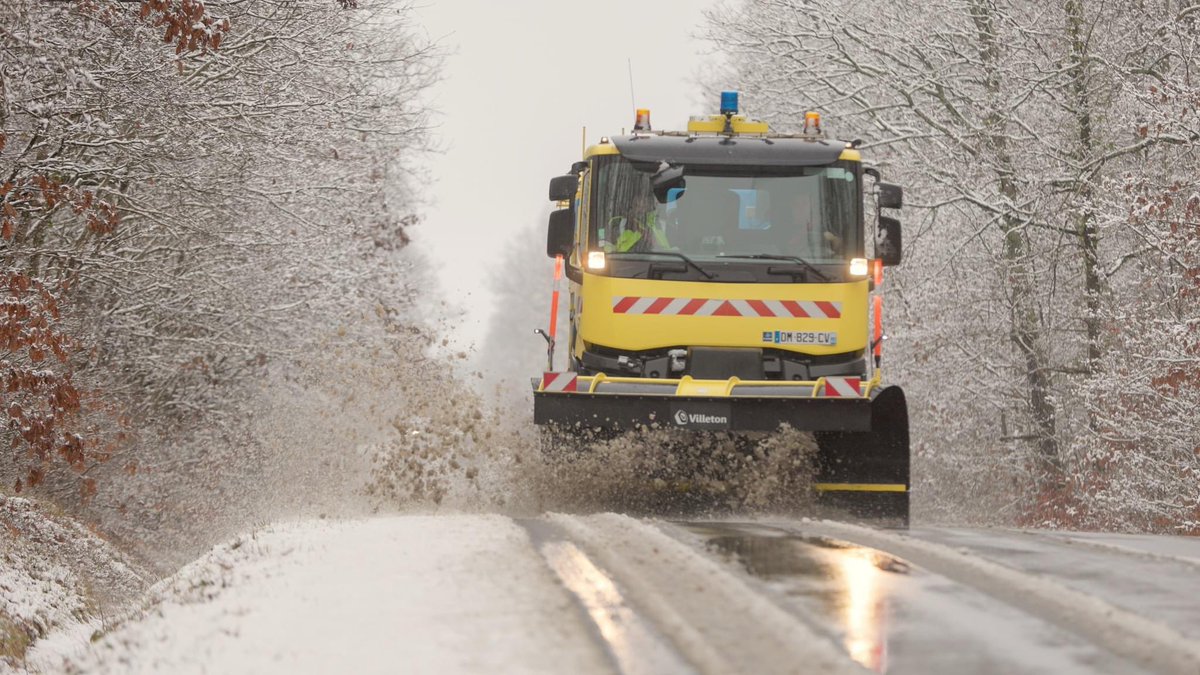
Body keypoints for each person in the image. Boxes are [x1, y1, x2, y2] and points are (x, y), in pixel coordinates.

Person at [783, 192, 842, 257]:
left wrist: (832, 239)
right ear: (791, 208)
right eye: (796, 205)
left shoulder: (823, 229)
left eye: (804, 204)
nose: (800, 208)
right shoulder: (782, 231)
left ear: (812, 208)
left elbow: (837, 245)